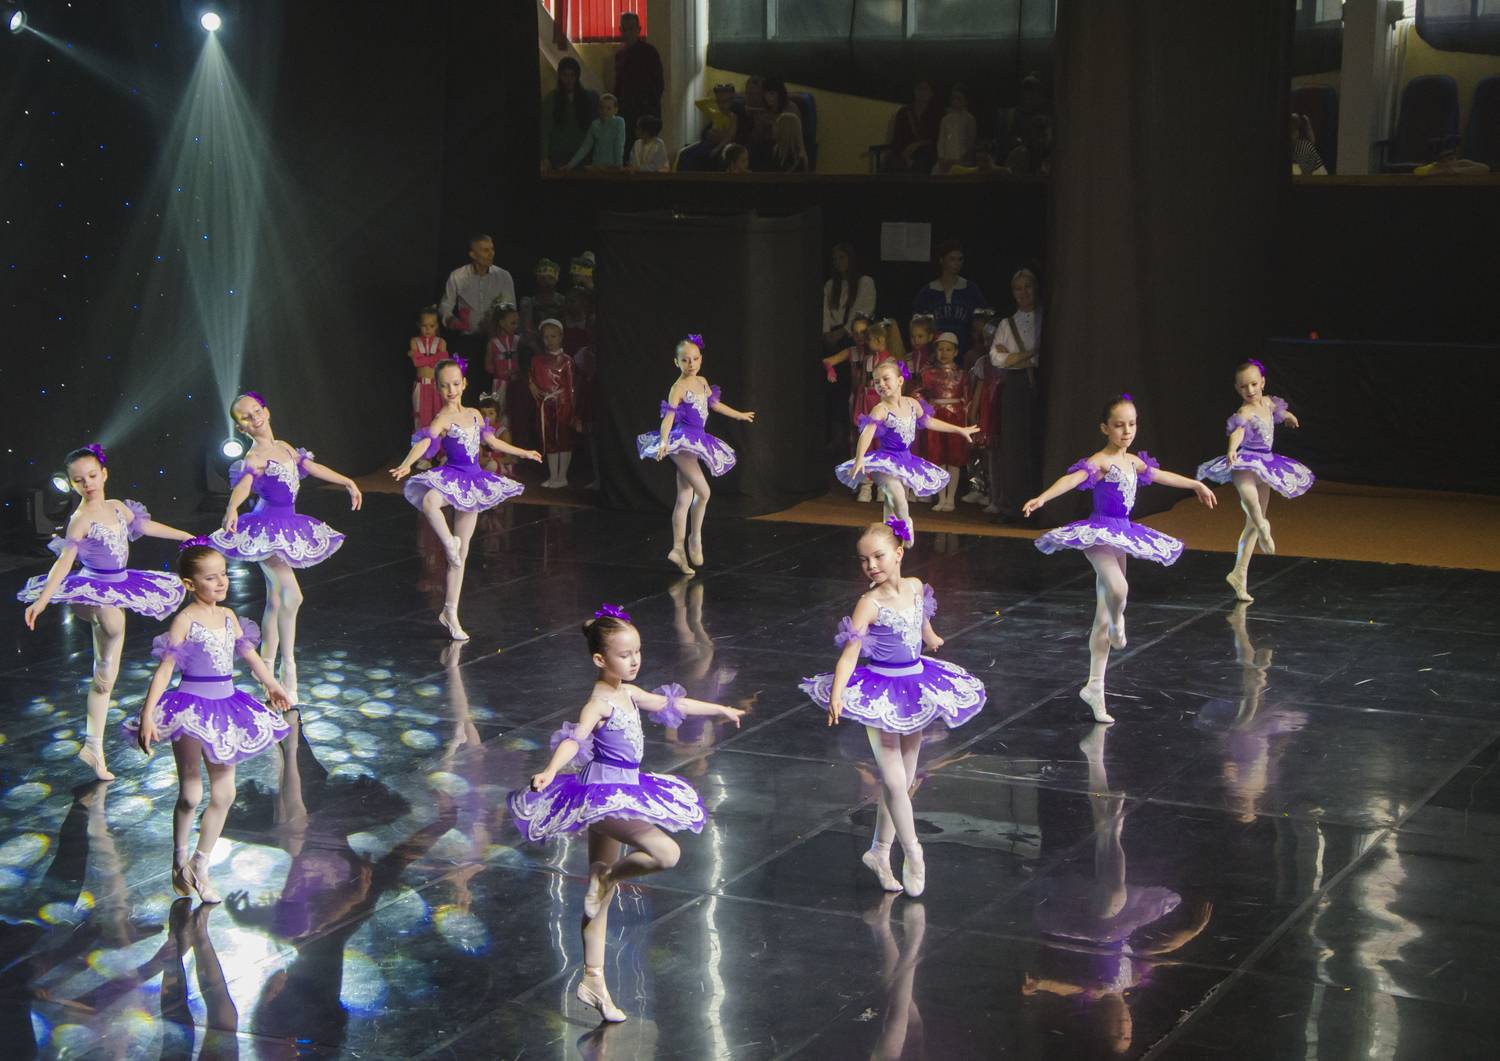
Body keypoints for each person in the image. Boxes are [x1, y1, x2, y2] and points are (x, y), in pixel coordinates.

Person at [508, 606, 745, 1023]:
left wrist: (719, 709)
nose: (634, 661)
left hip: (625, 789)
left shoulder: (630, 693)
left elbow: (674, 702)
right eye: (624, 655)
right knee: (665, 853)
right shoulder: (599, 702)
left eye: (637, 652)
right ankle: (607, 879)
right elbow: (574, 739)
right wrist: (549, 770)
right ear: (600, 659)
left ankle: (593, 979)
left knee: (598, 892)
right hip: (601, 795)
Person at [799, 520, 985, 896]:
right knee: (896, 782)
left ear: (899, 553)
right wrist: (837, 694)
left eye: (878, 556)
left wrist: (930, 636)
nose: (871, 566)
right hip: (879, 693)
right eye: (863, 560)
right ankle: (914, 852)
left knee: (903, 782)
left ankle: (880, 851)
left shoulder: (915, 586)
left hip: (915, 687)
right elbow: (849, 655)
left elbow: (922, 617)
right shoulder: (868, 604)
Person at [1024, 394, 1217, 723]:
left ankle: (1095, 687)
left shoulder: (1134, 462)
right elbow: (1072, 479)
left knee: (1102, 614)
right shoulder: (1100, 461)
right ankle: (1118, 623)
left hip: (1123, 533)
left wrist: (1195, 484)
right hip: (1099, 534)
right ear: (1105, 428)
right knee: (1119, 589)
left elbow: (1161, 475)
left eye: (1132, 424)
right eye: (1119, 425)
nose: (1127, 431)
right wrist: (1043, 497)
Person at [129, 542, 292, 904]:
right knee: (191, 795)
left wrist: (273, 685)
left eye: (224, 574)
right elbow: (165, 670)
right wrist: (147, 714)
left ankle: (200, 865)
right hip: (190, 708)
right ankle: (178, 861)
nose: (221, 582)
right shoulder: (185, 620)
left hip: (226, 705)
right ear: (190, 584)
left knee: (225, 793)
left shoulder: (230, 616)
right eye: (211, 578)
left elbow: (251, 657)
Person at [18, 444, 193, 780]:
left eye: (92, 476)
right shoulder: (80, 519)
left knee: (105, 677)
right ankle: (93, 744)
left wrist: (184, 535)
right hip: (91, 589)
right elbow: (64, 562)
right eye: (79, 480)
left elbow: (147, 527)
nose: (87, 484)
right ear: (72, 484)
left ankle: (93, 748)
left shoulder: (116, 507)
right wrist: (42, 599)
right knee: (111, 627)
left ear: (104, 474)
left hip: (119, 584)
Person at [211, 391, 362, 706]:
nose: (254, 418)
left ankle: (265, 667)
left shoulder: (285, 447)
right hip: (264, 531)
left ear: (266, 411)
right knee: (294, 596)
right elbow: (244, 485)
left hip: (288, 525)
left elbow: (313, 468)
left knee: (277, 600)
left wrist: (347, 481)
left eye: (256, 411)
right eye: (246, 417)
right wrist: (232, 508)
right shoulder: (254, 457)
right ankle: (288, 668)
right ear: (241, 427)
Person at [391, 358, 541, 640]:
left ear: (464, 384)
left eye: (455, 384)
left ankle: (450, 612)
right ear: (438, 388)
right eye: (445, 386)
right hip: (452, 475)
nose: (451, 390)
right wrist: (407, 464)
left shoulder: (474, 414)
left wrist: (523, 452)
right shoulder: (441, 419)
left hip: (473, 481)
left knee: (461, 557)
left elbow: (492, 442)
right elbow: (425, 442)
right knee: (430, 502)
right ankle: (448, 542)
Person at [1195, 359, 1313, 602]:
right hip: (1245, 462)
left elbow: (1278, 412)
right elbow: (1238, 432)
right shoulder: (1245, 412)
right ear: (1237, 389)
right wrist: (1231, 449)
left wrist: (1288, 416)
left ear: (1262, 383)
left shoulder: (1268, 403)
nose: (1249, 390)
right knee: (1251, 503)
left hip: (1266, 465)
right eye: (1243, 387)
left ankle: (1239, 574)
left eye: (1253, 384)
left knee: (1250, 526)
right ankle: (1263, 527)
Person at [636, 334, 755, 576]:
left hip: (698, 440)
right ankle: (694, 537)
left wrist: (739, 415)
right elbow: (668, 417)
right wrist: (664, 442)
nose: (691, 364)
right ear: (676, 362)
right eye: (685, 360)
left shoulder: (702, 381)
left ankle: (677, 549)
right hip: (682, 442)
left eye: (695, 359)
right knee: (704, 492)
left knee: (684, 497)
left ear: (701, 359)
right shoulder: (678, 388)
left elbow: (714, 405)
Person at [837, 360, 979, 544]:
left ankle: (891, 535)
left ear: (900, 381)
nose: (881, 384)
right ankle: (906, 524)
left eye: (886, 379)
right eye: (877, 381)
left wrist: (959, 430)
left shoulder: (912, 404)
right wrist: (859, 459)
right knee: (896, 493)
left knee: (892, 501)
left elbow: (929, 422)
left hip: (905, 460)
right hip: (884, 461)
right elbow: (867, 434)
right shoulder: (880, 409)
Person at [989, 268, 1043, 522]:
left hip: (1040, 381)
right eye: (1018, 289)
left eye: (1027, 287)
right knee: (1014, 445)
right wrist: (1029, 354)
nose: (1023, 293)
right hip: (1016, 384)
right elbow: (996, 357)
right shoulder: (1006, 324)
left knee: (1036, 442)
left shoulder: (1045, 319)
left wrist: (1014, 356)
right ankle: (1015, 507)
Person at [914, 332, 972, 512]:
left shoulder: (962, 375)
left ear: (955, 352)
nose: (944, 353)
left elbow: (968, 397)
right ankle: (941, 498)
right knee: (937, 456)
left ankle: (951, 499)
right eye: (940, 349)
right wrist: (924, 408)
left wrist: (967, 415)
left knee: (954, 458)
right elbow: (918, 393)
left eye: (948, 349)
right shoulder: (927, 373)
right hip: (935, 416)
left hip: (955, 417)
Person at [439, 234, 515, 365]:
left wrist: (496, 323)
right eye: (485, 250)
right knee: (464, 375)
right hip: (467, 340)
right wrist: (452, 320)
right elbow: (445, 306)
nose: (491, 254)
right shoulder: (458, 276)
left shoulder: (504, 276)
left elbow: (510, 308)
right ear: (473, 255)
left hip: (496, 341)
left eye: (492, 249)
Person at [529, 319, 580, 488]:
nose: (550, 340)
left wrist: (572, 410)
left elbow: (571, 387)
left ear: (561, 336)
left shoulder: (566, 360)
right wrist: (532, 385)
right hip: (545, 405)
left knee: (564, 438)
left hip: (562, 405)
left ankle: (562, 476)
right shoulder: (537, 360)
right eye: (546, 337)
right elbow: (532, 377)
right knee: (549, 439)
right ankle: (553, 475)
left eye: (553, 336)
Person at [610, 11, 663, 160]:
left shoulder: (650, 53)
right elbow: (618, 84)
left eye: (631, 29)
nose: (627, 33)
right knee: (627, 152)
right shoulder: (620, 55)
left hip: (645, 110)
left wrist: (650, 109)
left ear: (638, 30)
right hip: (626, 111)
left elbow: (658, 84)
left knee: (646, 153)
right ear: (620, 30)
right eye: (624, 29)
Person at [912, 239, 989, 337]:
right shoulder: (928, 291)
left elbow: (983, 317)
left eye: (960, 259)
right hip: (936, 344)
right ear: (941, 260)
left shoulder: (970, 289)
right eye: (952, 259)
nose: (957, 263)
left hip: (964, 343)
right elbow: (918, 323)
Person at [541, 56, 598, 171]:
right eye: (565, 75)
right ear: (560, 76)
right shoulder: (551, 99)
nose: (569, 79)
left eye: (572, 75)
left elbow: (597, 128)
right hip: (559, 156)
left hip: (583, 156)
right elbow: (545, 129)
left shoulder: (590, 97)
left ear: (577, 76)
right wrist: (544, 156)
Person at [822, 244, 877, 356]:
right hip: (833, 336)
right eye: (835, 259)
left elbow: (863, 310)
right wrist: (827, 333)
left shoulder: (865, 282)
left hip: (854, 335)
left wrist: (844, 330)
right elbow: (825, 311)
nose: (838, 262)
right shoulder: (830, 285)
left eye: (841, 258)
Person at [407, 306, 447, 433]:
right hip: (421, 385)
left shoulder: (441, 342)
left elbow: (441, 363)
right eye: (424, 326)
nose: (428, 329)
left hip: (436, 386)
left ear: (437, 326)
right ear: (419, 325)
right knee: (420, 417)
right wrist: (436, 357)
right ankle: (421, 443)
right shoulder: (414, 341)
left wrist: (419, 357)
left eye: (432, 326)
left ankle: (439, 444)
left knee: (438, 416)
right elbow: (417, 362)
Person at [887, 80, 941, 174]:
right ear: (914, 91)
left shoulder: (937, 113)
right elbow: (898, 137)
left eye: (925, 89)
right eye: (919, 88)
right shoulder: (904, 112)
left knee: (923, 161)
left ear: (931, 93)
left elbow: (936, 138)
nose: (922, 92)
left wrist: (917, 145)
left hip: (926, 153)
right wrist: (904, 154)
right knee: (891, 161)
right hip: (904, 152)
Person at [563, 93, 627, 171]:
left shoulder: (619, 122)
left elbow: (619, 144)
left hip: (612, 167)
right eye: (602, 108)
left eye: (608, 108)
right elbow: (585, 147)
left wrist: (618, 165)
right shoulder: (595, 124)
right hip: (597, 167)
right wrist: (569, 165)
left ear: (615, 110)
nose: (604, 111)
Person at [484, 300, 521, 404]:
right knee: (500, 408)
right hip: (500, 383)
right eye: (513, 323)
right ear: (501, 323)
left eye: (517, 323)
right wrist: (500, 372)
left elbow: (523, 360)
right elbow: (488, 366)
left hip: (517, 382)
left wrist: (516, 372)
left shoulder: (518, 340)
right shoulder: (493, 343)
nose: (516, 326)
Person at [935, 86, 977, 171]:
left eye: (959, 98)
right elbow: (941, 140)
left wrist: (962, 160)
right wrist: (941, 158)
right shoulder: (945, 119)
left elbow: (971, 142)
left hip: (962, 161)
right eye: (953, 98)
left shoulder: (969, 119)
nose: (955, 101)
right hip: (946, 160)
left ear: (965, 101)